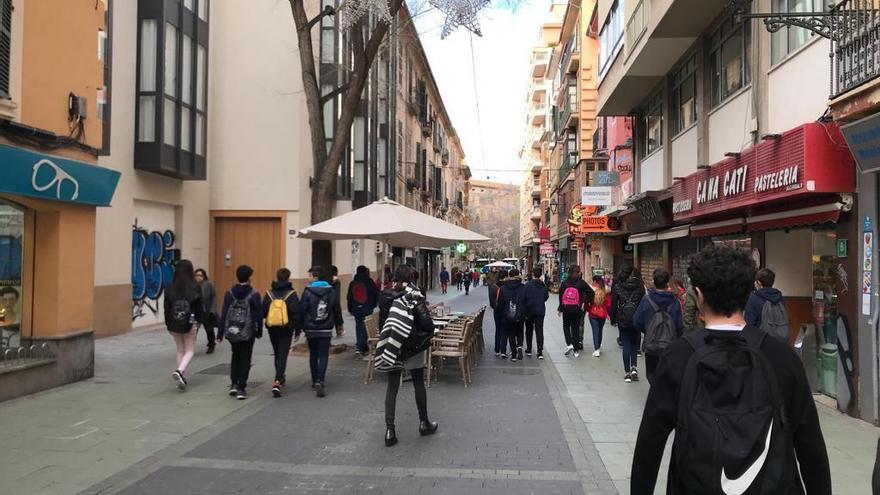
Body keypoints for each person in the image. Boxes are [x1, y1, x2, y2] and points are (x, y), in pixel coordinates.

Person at [631, 245, 831, 494]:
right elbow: (810, 445)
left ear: (699, 295)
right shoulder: (781, 356)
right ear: (748, 295)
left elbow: (650, 441)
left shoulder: (678, 357)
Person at [377, 264, 438, 447]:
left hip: (393, 346)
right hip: (413, 347)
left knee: (392, 387)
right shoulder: (414, 295)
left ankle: (390, 430)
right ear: (411, 277)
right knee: (418, 383)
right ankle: (424, 423)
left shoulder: (385, 295)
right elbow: (426, 324)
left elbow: (382, 325)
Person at [218, 264, 263, 400]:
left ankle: (233, 383)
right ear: (249, 277)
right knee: (245, 357)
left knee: (235, 355)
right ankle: (241, 387)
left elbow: (224, 312)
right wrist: (259, 329)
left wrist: (220, 332)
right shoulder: (254, 294)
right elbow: (259, 314)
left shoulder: (229, 293)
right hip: (248, 331)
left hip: (233, 330)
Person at [632, 268, 683, 383]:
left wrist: (648, 330)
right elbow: (679, 325)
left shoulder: (647, 299)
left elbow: (636, 321)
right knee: (666, 373)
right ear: (667, 283)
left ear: (654, 282)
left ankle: (655, 392)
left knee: (652, 373)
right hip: (670, 344)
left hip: (651, 344)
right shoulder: (674, 301)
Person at [300, 266, 341, 397]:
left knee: (313, 353)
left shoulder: (307, 292)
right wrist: (339, 325)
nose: (308, 278)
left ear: (314, 277)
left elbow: (303, 309)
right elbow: (336, 308)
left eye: (309, 275)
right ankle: (321, 380)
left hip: (311, 328)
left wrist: (301, 326)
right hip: (326, 328)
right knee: (323, 355)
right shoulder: (331, 291)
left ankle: (314, 380)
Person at [163, 260, 203, 391]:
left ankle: (181, 376)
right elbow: (199, 307)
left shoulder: (170, 287)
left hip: (174, 322)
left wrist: (168, 323)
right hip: (189, 322)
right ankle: (180, 371)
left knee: (180, 349)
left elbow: (166, 307)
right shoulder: (195, 287)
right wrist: (199, 321)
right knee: (190, 350)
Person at [262, 268, 302, 398]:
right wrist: (297, 330)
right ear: (288, 278)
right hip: (286, 328)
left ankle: (280, 377)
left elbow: (263, 311)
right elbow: (296, 313)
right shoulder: (291, 294)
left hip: (272, 328)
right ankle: (277, 381)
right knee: (283, 354)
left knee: (277, 353)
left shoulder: (269, 294)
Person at [609, 265, 645, 382]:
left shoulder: (617, 287)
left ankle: (627, 373)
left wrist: (613, 319)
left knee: (626, 345)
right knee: (635, 344)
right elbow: (643, 304)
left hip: (623, 319)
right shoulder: (639, 287)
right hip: (637, 319)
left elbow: (613, 305)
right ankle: (634, 367)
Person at [744, 267, 791, 342]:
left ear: (759, 283)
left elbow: (749, 325)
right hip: (781, 344)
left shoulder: (753, 299)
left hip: (761, 344)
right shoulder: (781, 298)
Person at [557, 264, 594, 358]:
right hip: (577, 308)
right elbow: (591, 293)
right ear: (578, 273)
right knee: (575, 328)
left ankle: (569, 344)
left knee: (566, 326)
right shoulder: (581, 283)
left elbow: (561, 296)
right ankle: (576, 350)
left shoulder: (564, 283)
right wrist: (584, 302)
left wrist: (560, 308)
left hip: (566, 308)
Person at [347, 265, 380, 358]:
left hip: (356, 309)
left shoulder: (353, 283)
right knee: (365, 326)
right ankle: (361, 347)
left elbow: (349, 297)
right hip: (367, 308)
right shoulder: (369, 282)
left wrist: (350, 308)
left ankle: (359, 345)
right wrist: (373, 305)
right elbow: (376, 294)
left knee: (358, 326)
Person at [497, 268, 526, 361]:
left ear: (509, 276)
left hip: (507, 315)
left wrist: (501, 313)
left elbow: (500, 303)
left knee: (511, 334)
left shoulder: (503, 288)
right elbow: (526, 301)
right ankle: (520, 346)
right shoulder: (523, 287)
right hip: (520, 313)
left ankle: (513, 355)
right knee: (520, 331)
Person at [522, 267, 549, 359]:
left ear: (533, 274)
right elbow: (546, 297)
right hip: (540, 310)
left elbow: (523, 298)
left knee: (529, 330)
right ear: (540, 274)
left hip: (529, 310)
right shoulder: (543, 285)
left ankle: (529, 349)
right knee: (539, 330)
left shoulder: (527, 285)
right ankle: (540, 351)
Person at [587, 275, 611, 357]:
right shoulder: (605, 291)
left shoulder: (591, 290)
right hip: (602, 314)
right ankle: (599, 345)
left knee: (595, 331)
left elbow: (588, 302)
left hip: (593, 314)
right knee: (600, 330)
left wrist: (588, 309)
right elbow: (608, 304)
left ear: (594, 282)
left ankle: (596, 349)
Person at [194, 268, 217, 354]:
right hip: (196, 312)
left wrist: (212, 309)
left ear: (204, 276)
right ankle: (190, 347)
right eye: (196, 275)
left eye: (200, 275)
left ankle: (211, 344)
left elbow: (214, 296)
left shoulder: (208, 285)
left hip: (206, 311)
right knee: (193, 331)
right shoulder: (192, 286)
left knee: (209, 329)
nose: (198, 277)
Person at [488, 270, 509, 357]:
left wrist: (495, 307)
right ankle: (503, 349)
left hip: (497, 311)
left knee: (498, 329)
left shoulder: (493, 286)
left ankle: (497, 349)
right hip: (505, 311)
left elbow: (491, 301)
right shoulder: (507, 286)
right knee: (504, 329)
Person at [330, 265, 345, 338]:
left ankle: (331, 331)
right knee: (338, 316)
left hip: (329, 300)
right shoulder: (337, 281)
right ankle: (339, 330)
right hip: (335, 300)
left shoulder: (328, 280)